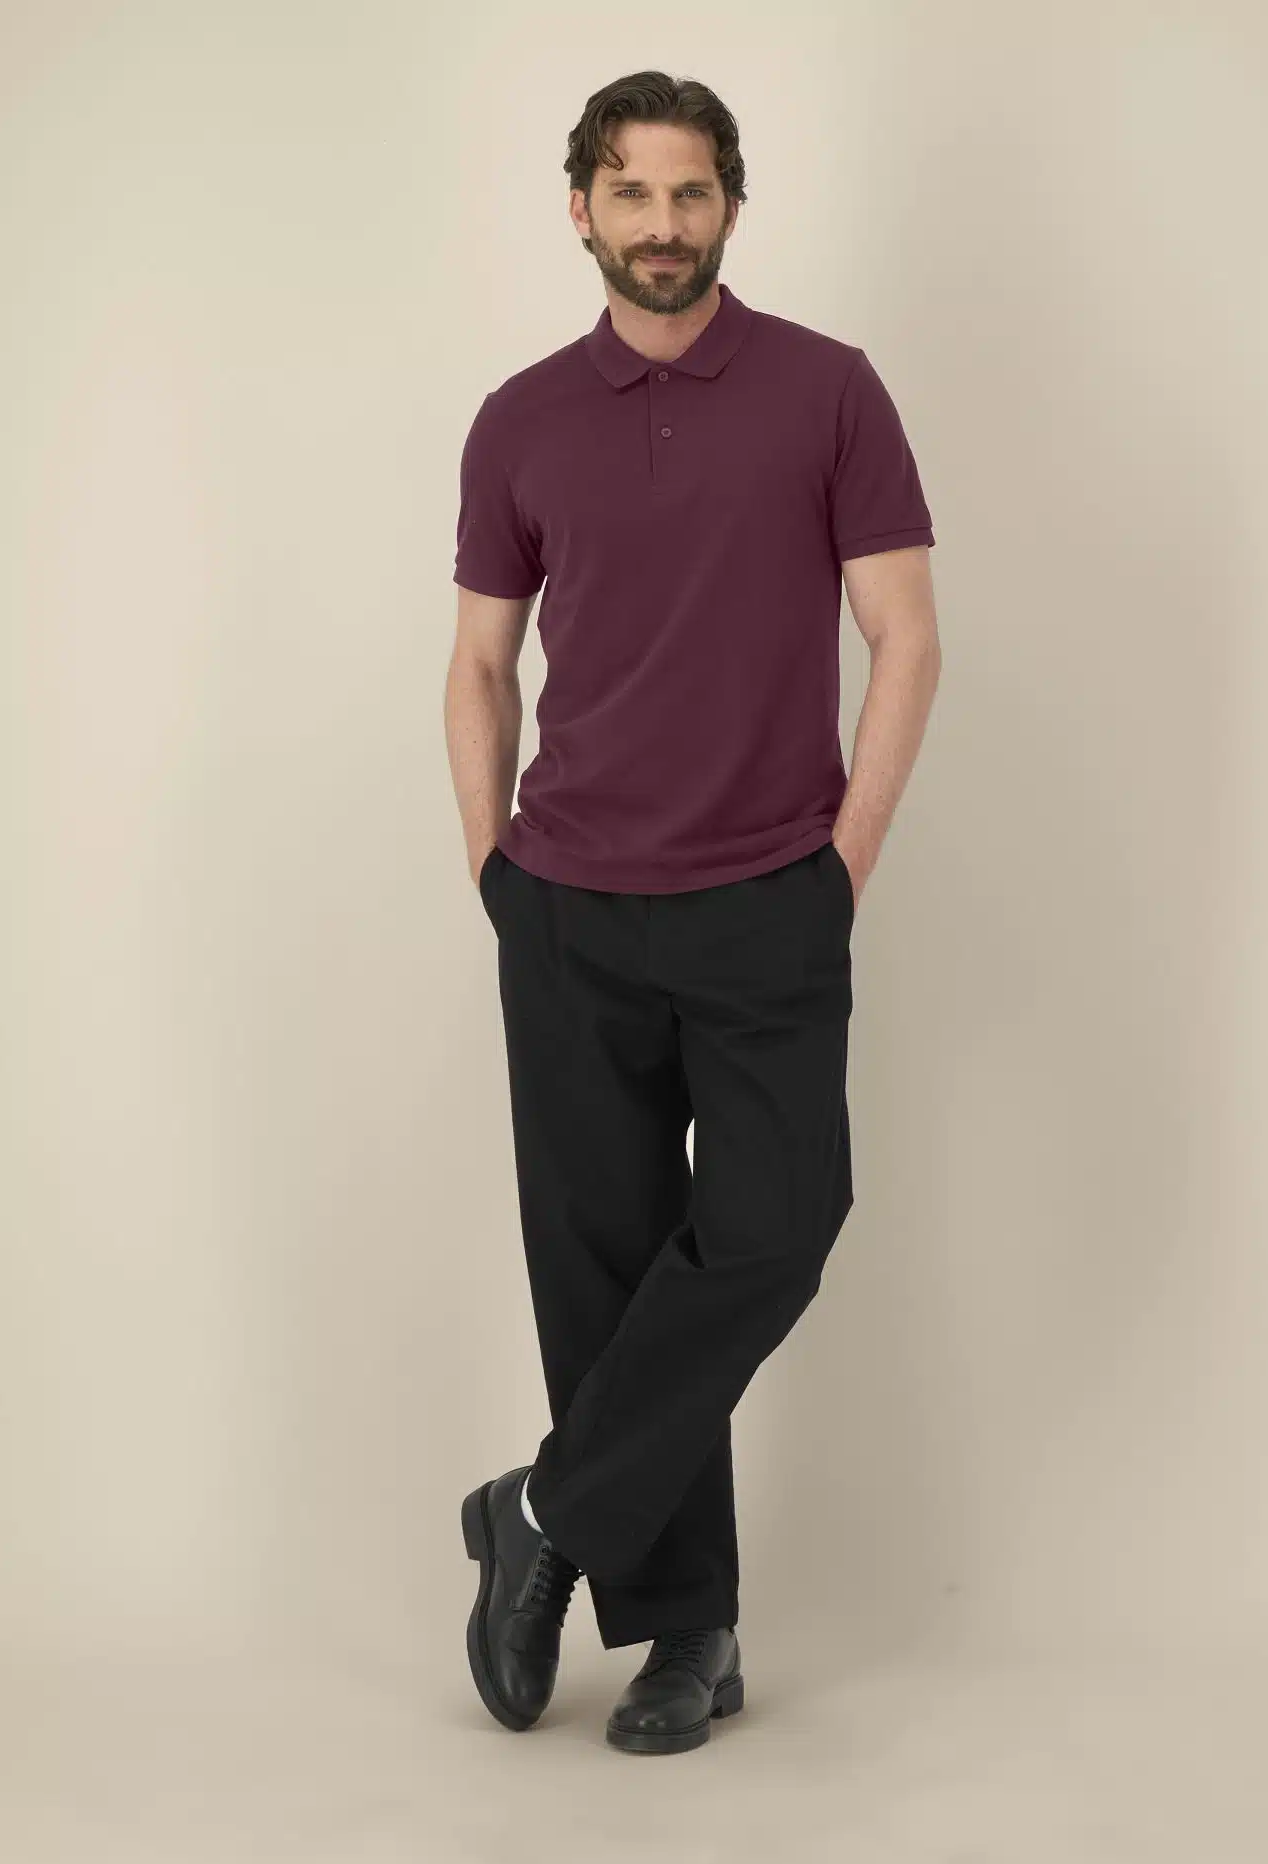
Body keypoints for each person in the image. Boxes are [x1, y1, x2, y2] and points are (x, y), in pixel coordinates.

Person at [446, 69, 941, 1756]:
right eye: (631, 192)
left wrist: (839, 868)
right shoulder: (519, 419)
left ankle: (540, 1512)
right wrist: (495, 874)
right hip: (568, 905)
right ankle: (689, 1632)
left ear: (732, 204)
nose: (663, 225)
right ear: (579, 206)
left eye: (691, 192)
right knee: (599, 1270)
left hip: (767, 898)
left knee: (777, 1224)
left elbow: (907, 638)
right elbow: (479, 664)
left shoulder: (828, 391)